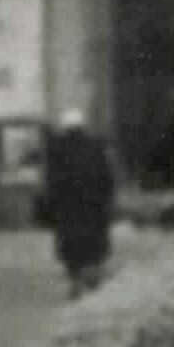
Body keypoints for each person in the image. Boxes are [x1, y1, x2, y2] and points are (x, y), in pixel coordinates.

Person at [44, 105, 119, 296]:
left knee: (71, 245)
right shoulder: (95, 146)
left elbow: (51, 180)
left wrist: (51, 205)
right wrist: (107, 199)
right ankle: (93, 277)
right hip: (93, 205)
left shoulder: (57, 148)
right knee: (94, 242)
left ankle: (76, 280)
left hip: (68, 207)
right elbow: (107, 176)